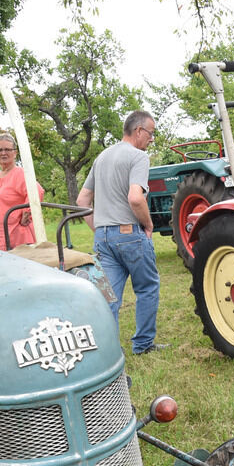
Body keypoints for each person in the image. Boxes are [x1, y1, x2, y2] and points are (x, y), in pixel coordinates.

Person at [76, 110, 165, 355]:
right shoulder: (138, 157)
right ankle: (143, 344)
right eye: (151, 133)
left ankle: (109, 351)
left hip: (104, 238)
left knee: (109, 297)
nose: (151, 139)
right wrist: (148, 225)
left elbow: (82, 200)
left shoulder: (102, 157)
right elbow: (136, 198)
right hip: (130, 235)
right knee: (147, 288)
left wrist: (100, 228)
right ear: (138, 131)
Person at [0, 133, 45, 251]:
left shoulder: (20, 173)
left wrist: (26, 213)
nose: (3, 153)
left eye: (7, 149)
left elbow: (38, 191)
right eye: (0, 150)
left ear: (15, 153)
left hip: (15, 242)